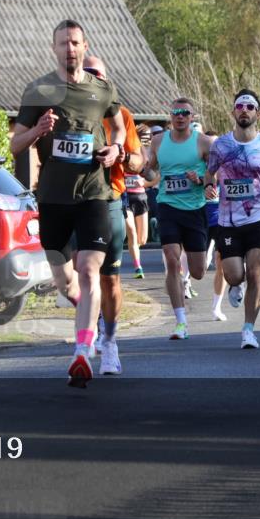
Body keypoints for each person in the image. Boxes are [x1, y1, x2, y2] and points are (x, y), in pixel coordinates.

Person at [11, 20, 126, 387]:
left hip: (94, 193)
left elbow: (120, 125)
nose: (70, 49)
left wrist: (117, 147)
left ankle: (82, 351)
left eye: (75, 43)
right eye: (63, 44)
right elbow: (15, 145)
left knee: (92, 271)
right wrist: (38, 131)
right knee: (65, 281)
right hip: (54, 198)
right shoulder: (38, 90)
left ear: (84, 45)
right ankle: (93, 322)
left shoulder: (102, 89)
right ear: (54, 48)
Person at [206, 89, 260, 349]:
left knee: (255, 272)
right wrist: (208, 186)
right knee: (234, 274)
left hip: (259, 217)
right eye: (239, 106)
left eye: (249, 107)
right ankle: (234, 285)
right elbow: (209, 174)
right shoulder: (220, 145)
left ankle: (248, 330)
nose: (244, 110)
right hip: (228, 221)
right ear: (233, 112)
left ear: (258, 114)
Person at [83, 56, 144, 376]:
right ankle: (87, 333)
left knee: (109, 278)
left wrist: (119, 153)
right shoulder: (65, 110)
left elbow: (138, 161)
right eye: (87, 74)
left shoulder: (121, 115)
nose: (91, 79)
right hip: (74, 203)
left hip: (110, 200)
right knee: (80, 276)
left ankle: (110, 341)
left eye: (97, 75)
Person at [141, 97, 216, 340]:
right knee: (172, 261)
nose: (180, 116)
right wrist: (144, 168)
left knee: (198, 271)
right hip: (167, 206)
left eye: (185, 113)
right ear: (171, 116)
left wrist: (202, 180)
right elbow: (151, 170)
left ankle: (189, 281)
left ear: (192, 117)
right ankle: (180, 322)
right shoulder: (159, 141)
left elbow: (213, 175)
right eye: (176, 113)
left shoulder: (204, 142)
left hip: (194, 209)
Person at [203, 130, 227, 322]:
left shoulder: (230, 166)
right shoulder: (197, 167)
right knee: (199, 267)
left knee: (223, 263)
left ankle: (216, 307)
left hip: (224, 221)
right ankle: (185, 280)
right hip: (201, 219)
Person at [124, 123, 152, 278]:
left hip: (140, 197)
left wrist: (145, 183)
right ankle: (138, 267)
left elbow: (156, 178)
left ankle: (134, 248)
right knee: (132, 232)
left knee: (142, 238)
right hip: (126, 197)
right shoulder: (126, 152)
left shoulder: (148, 156)